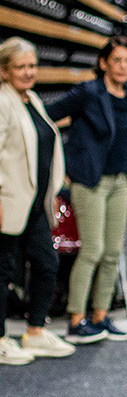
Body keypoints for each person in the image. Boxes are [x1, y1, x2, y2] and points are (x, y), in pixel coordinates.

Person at [47, 35, 127, 344]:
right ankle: (76, 320)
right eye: (117, 60)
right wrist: (65, 166)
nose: (123, 66)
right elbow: (47, 116)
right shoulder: (89, 92)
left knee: (113, 253)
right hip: (91, 182)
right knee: (93, 250)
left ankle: (100, 316)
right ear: (103, 63)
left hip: (120, 182)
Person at [0, 37, 75, 364]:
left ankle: (34, 332)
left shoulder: (32, 100)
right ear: (4, 71)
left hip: (36, 204)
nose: (29, 72)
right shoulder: (2, 102)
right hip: (9, 202)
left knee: (47, 263)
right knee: (4, 271)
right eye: (21, 67)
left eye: (32, 66)